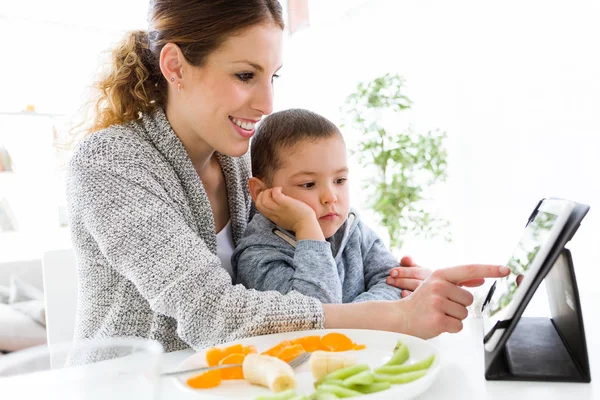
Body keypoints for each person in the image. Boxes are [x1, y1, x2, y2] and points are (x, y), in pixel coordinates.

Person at [66, 0, 509, 353]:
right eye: (245, 75)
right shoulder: (110, 162)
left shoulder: (239, 159)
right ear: (176, 67)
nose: (267, 103)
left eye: (272, 76)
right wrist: (396, 317)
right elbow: (216, 316)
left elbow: (311, 282)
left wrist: (400, 293)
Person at [233, 109, 406, 303]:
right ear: (259, 192)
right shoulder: (258, 256)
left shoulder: (352, 229)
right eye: (308, 184)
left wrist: (356, 314)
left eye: (339, 180)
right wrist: (305, 225)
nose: (330, 197)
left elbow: (396, 283)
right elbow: (314, 311)